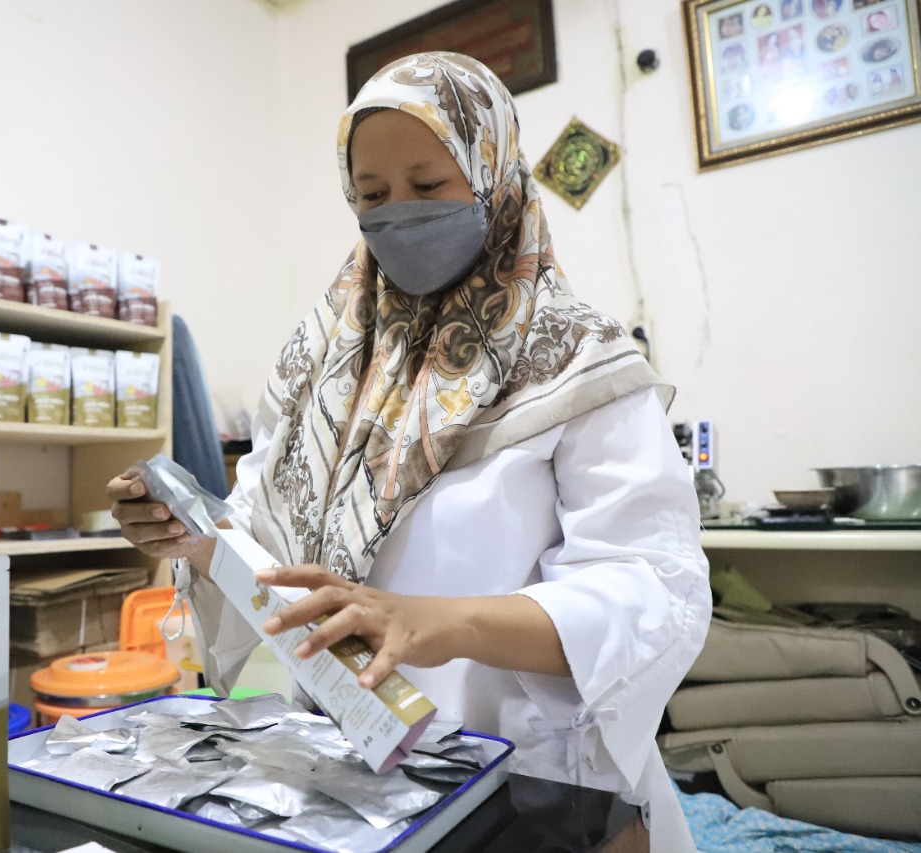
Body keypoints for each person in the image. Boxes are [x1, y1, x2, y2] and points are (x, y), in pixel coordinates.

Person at [107, 52, 710, 852]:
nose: (399, 214)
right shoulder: (320, 367)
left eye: (428, 186)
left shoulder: (577, 364)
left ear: (494, 177)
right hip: (352, 784)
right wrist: (197, 537)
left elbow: (653, 590)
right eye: (371, 195)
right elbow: (266, 548)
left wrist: (433, 622)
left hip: (529, 795)